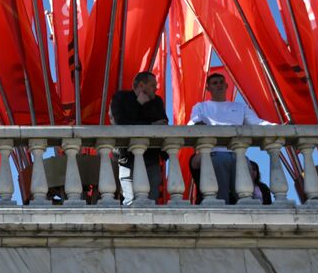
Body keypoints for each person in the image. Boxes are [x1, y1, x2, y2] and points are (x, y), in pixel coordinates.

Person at [188, 73, 271, 203]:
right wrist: (199, 124)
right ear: (208, 88)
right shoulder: (200, 107)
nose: (219, 85)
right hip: (214, 155)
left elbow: (257, 122)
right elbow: (193, 124)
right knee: (220, 199)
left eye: (221, 82)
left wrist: (276, 126)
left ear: (227, 85)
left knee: (246, 198)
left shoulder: (239, 107)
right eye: (215, 83)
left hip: (238, 155)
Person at [109, 71, 169, 204]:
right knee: (129, 199)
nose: (156, 88)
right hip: (127, 158)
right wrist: (149, 122)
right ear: (142, 85)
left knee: (151, 199)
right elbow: (120, 123)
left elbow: (163, 123)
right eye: (153, 85)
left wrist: (146, 105)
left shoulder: (156, 101)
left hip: (151, 157)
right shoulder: (120, 98)